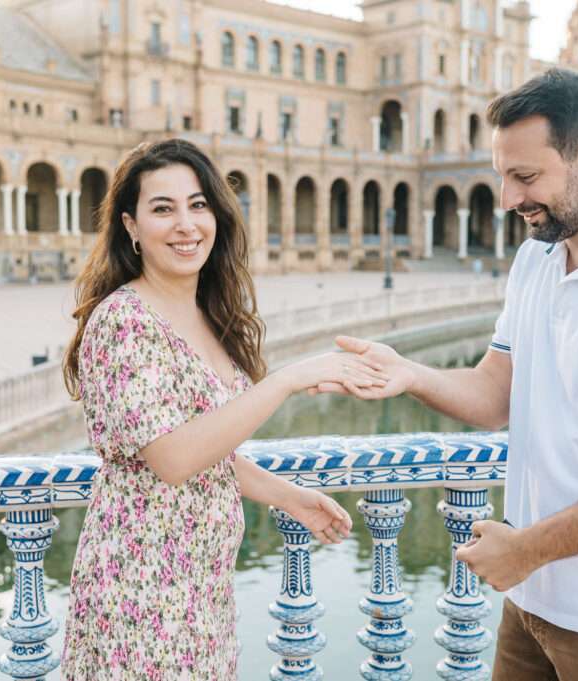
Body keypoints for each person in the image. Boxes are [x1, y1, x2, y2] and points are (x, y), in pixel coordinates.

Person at [319, 69, 578, 680]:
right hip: (532, 606)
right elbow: (498, 393)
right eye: (502, 176)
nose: (508, 199)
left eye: (525, 177)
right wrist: (407, 372)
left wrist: (525, 550)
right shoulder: (538, 258)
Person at [61, 139, 383, 680]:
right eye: (163, 209)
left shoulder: (207, 315)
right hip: (138, 593)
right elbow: (172, 457)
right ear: (131, 227)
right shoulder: (126, 321)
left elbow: (209, 450)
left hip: (201, 593)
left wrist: (291, 498)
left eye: (198, 204)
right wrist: (285, 380)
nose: (186, 224)